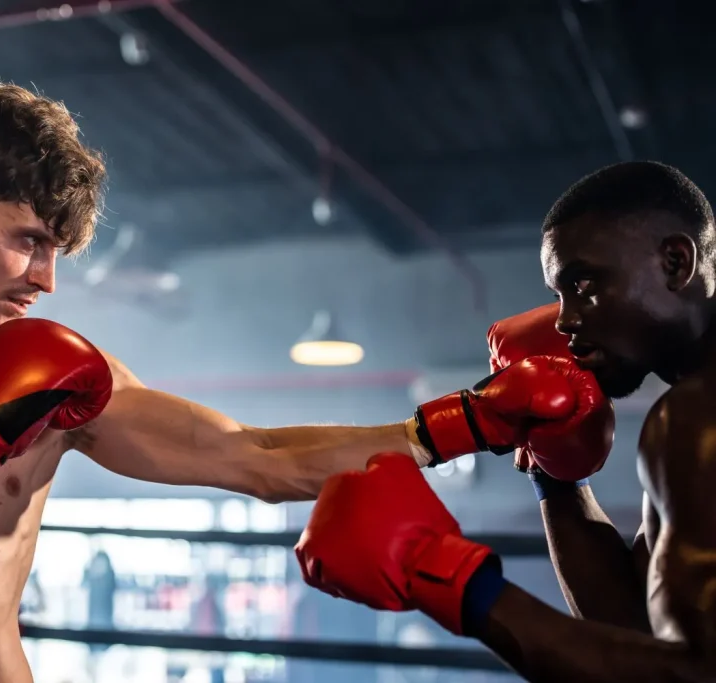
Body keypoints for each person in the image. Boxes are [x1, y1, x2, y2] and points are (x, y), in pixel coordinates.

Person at [0, 83, 592, 683]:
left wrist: (463, 423)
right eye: (28, 241)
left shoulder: (51, 373)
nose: (46, 279)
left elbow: (251, 455)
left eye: (57, 252)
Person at [295, 160, 716, 681]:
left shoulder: (695, 416)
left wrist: (451, 577)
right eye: (558, 295)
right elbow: (635, 630)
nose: (564, 320)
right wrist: (555, 472)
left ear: (675, 262)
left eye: (584, 283)